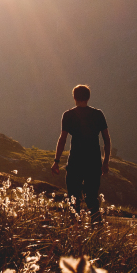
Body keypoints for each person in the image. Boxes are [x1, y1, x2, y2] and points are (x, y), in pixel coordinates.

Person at [51, 85, 111, 221]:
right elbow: (106, 140)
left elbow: (63, 140)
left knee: (73, 199)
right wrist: (105, 162)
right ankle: (97, 232)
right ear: (88, 97)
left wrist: (56, 161)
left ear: (74, 97)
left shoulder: (68, 115)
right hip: (94, 163)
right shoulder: (98, 114)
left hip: (75, 163)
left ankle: (74, 231)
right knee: (92, 199)